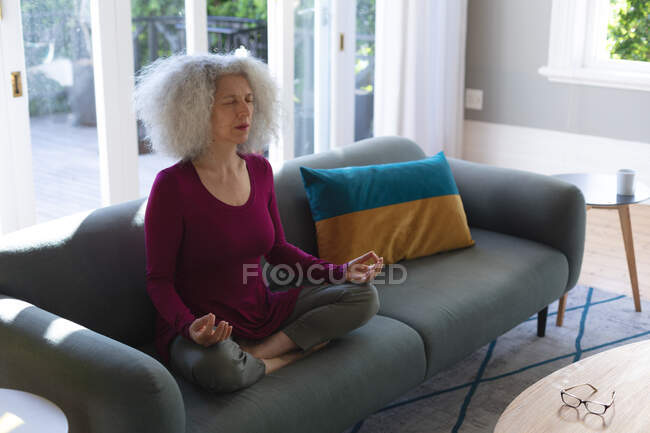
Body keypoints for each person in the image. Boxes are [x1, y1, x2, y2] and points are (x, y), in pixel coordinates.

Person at [134, 50, 384, 394]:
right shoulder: (172, 186)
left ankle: (261, 355)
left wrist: (339, 271)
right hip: (205, 328)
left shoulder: (260, 170)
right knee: (223, 370)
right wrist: (190, 328)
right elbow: (158, 281)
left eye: (250, 99)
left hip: (262, 310)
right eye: (230, 101)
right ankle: (283, 358)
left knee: (363, 297)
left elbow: (279, 250)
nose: (245, 110)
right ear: (196, 109)